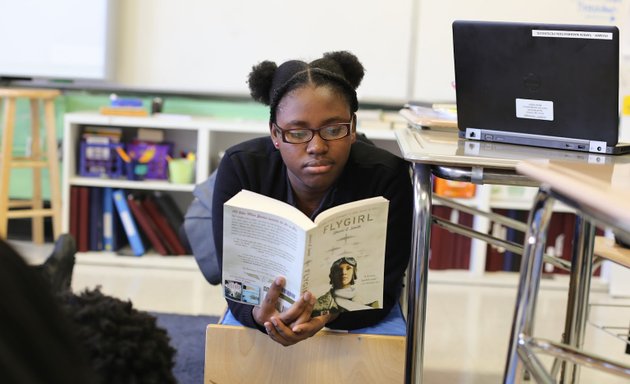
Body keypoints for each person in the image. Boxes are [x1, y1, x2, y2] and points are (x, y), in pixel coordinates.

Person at [212, 51, 413, 346]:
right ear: (275, 134)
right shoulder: (241, 168)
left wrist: (328, 315)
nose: (317, 146)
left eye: (333, 130)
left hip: (353, 315)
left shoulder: (387, 177)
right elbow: (233, 282)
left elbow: (386, 287)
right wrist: (257, 314)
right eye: (297, 132)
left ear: (353, 128)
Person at [312, 257, 378, 317]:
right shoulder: (320, 304)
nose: (344, 272)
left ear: (354, 272)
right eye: (339, 269)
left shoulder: (366, 299)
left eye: (348, 268)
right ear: (333, 274)